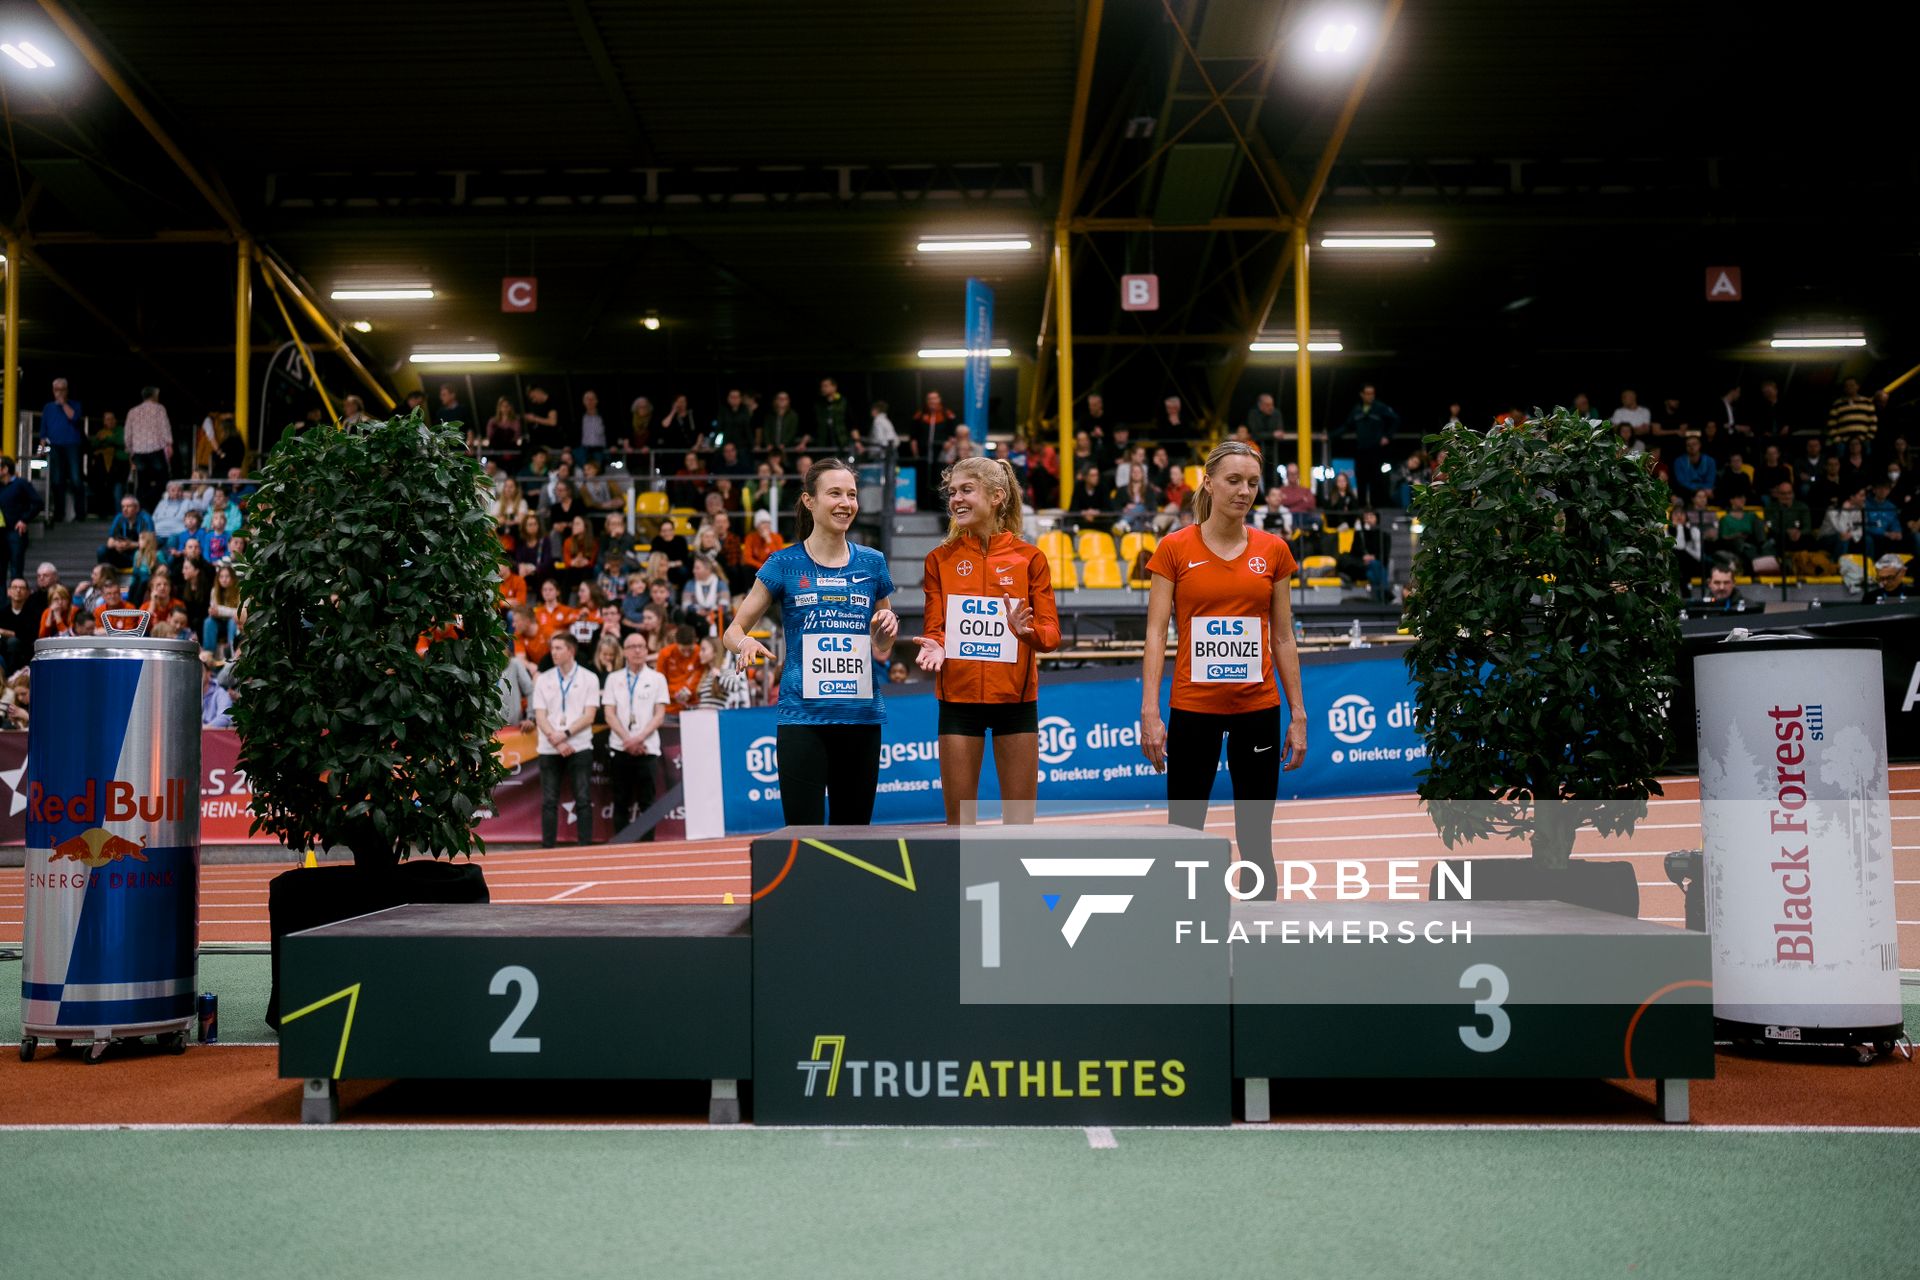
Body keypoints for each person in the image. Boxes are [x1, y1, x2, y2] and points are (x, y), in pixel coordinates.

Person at [1140, 441, 1307, 893]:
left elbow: (1283, 636)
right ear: (1209, 483)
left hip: (1258, 709)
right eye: (1234, 481)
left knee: (1256, 840)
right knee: (1185, 832)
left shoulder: (1274, 551)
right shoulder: (1173, 549)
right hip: (1194, 708)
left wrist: (1298, 714)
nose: (1244, 491)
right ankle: (1183, 939)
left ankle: (1261, 943)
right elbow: (1156, 634)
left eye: (1252, 482)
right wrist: (1150, 712)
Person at [726, 459, 899, 825]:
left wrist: (885, 630)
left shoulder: (873, 563)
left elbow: (882, 645)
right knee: (802, 838)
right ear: (809, 500)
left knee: (853, 839)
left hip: (860, 719)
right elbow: (733, 630)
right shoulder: (783, 563)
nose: (845, 503)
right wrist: (745, 645)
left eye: (851, 495)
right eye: (834, 493)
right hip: (802, 719)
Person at [908, 457, 1059, 825]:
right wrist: (937, 645)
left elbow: (1051, 636)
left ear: (997, 496)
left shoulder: (1030, 559)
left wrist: (1027, 632)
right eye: (952, 492)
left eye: (966, 490)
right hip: (958, 703)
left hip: (1016, 703)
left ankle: (1013, 885)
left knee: (1019, 824)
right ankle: (968, 886)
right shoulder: (938, 560)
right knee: (959, 825)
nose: (956, 499)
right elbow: (936, 627)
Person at [529, 631, 600, 847]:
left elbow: (589, 715)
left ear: (571, 651)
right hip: (550, 746)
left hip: (579, 745)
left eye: (559, 648)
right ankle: (548, 848)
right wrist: (556, 738)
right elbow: (539, 715)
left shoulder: (589, 678)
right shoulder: (544, 679)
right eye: (552, 648)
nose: (554, 652)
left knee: (583, 798)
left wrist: (566, 734)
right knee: (549, 801)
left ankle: (585, 847)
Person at [602, 630, 671, 837]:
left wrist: (639, 738)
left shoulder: (657, 678)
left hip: (647, 748)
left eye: (641, 646)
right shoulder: (613, 679)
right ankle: (621, 847)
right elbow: (609, 714)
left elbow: (659, 715)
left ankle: (647, 847)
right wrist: (627, 739)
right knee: (620, 800)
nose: (638, 650)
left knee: (647, 802)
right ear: (624, 652)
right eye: (633, 647)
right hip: (620, 746)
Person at [1342, 385, 1401, 507]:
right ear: (1362, 394)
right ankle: (1362, 511)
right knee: (1361, 483)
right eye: (1367, 393)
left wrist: (1387, 436)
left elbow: (1396, 419)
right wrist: (1330, 436)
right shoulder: (1357, 409)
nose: (1370, 396)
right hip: (1361, 452)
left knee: (1376, 483)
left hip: (1376, 452)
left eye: (1372, 393)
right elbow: (1346, 426)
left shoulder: (1380, 407)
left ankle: (1376, 512)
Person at [41, 378, 86, 523]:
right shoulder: (48, 407)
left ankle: (80, 514)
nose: (59, 392)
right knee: (56, 480)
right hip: (54, 446)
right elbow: (43, 430)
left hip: (73, 445)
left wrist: (63, 404)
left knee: (76, 479)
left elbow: (74, 418)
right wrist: (41, 448)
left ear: (67, 390)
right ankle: (58, 513)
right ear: (53, 391)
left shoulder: (75, 405)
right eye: (56, 390)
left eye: (62, 389)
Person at [125, 387, 174, 513]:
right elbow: (165, 428)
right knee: (162, 481)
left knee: (142, 482)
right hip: (155, 450)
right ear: (154, 395)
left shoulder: (132, 411)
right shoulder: (159, 409)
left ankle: (143, 509)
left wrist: (130, 451)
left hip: (139, 452)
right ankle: (156, 507)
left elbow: (128, 435)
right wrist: (169, 444)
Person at [0, 456, 45, 582]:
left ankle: (18, 598)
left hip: (15, 531)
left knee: (16, 570)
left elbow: (38, 503)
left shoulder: (21, 483)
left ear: (5, 469)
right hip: (1, 532)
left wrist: (24, 519)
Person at [695, 632, 750, 709]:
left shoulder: (724, 671)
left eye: (703, 650)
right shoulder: (706, 673)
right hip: (703, 717)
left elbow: (735, 687)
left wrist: (718, 676)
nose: (700, 653)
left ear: (715, 652)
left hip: (717, 718)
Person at [97, 495, 153, 570]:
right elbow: (109, 543)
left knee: (142, 554)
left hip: (138, 554)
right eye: (123, 507)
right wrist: (117, 544)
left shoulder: (145, 518)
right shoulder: (119, 517)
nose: (125, 509)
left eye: (128, 506)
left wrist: (130, 545)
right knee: (102, 550)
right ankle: (106, 576)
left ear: (137, 508)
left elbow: (150, 543)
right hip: (122, 553)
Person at [0, 577, 42, 675]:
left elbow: (30, 635)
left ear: (28, 593)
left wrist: (6, 633)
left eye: (22, 588)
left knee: (13, 642)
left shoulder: (33, 614)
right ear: (8, 592)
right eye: (15, 587)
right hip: (4, 651)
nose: (18, 590)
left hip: (25, 653)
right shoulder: (2, 613)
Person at [203, 563, 242, 657]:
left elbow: (240, 612)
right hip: (219, 622)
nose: (224, 579)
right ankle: (208, 653)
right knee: (208, 621)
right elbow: (214, 610)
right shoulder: (214, 591)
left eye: (227, 576)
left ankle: (231, 650)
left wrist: (220, 611)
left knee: (233, 621)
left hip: (233, 622)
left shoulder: (239, 590)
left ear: (233, 578)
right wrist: (212, 612)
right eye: (221, 577)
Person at [200, 653, 234, 727]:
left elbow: (225, 718)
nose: (195, 675)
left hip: (210, 736)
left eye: (199, 671)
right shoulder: (185, 693)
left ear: (208, 674)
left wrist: (203, 730)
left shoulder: (220, 692)